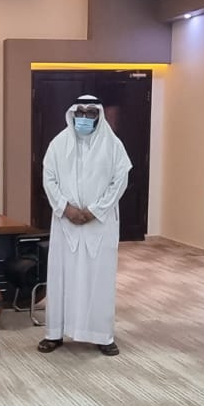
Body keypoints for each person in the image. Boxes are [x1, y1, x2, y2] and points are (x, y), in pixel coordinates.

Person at [38, 95, 132, 356]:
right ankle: (54, 334)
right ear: (72, 114)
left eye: (91, 113)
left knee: (99, 280)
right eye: (80, 112)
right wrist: (65, 208)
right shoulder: (58, 143)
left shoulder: (113, 145)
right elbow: (49, 178)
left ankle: (102, 335)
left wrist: (95, 211)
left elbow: (119, 181)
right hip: (65, 223)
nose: (84, 117)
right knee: (62, 278)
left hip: (99, 224)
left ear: (99, 115)